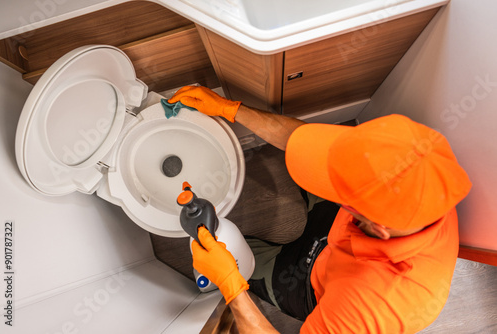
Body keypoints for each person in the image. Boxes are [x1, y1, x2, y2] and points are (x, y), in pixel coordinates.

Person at [169, 86, 472, 333]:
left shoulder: (370, 305)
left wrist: (230, 284)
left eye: (342, 192)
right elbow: (300, 139)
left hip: (315, 286)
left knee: (242, 260)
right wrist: (230, 108)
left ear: (375, 227)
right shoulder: (416, 170)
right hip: (341, 235)